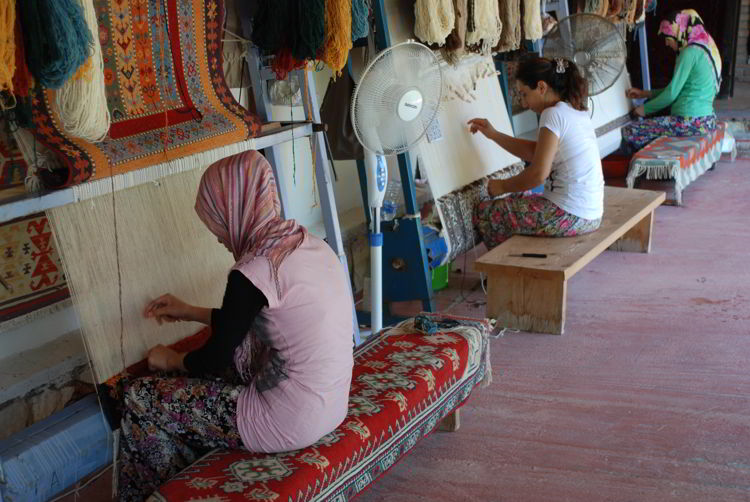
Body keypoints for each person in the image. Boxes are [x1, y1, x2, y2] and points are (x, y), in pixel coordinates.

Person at [116, 151, 354, 502]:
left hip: (287, 422)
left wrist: (169, 359)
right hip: (330, 406)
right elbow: (253, 320)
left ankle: (160, 496)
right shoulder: (309, 245)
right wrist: (188, 310)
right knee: (197, 384)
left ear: (235, 207)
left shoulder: (253, 271)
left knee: (141, 396)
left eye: (216, 221)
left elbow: (214, 355)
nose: (217, 236)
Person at [469, 56, 603, 250]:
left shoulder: (552, 114)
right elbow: (536, 152)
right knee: (517, 198)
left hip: (570, 214)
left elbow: (538, 174)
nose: (524, 103)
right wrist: (494, 135)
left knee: (487, 212)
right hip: (589, 213)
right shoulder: (574, 111)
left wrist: (503, 186)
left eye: (524, 94)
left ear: (541, 87)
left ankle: (506, 272)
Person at [622, 9, 721, 152]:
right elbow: (676, 89)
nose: (667, 44)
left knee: (631, 131)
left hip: (688, 121)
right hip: (706, 120)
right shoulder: (705, 48)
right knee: (655, 125)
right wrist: (644, 94)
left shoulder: (689, 53)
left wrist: (642, 110)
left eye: (668, 38)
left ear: (678, 32)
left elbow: (671, 94)